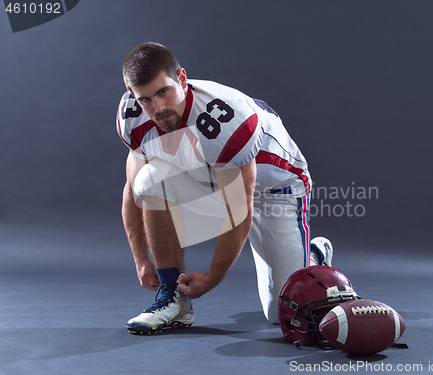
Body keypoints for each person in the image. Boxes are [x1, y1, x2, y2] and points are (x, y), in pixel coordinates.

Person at [116, 42, 333, 334]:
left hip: (273, 190)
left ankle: (314, 255)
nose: (158, 108)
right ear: (133, 96)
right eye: (145, 99)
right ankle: (174, 301)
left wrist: (213, 277)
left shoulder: (228, 119)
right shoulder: (133, 115)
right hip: (209, 175)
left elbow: (239, 206)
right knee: (150, 181)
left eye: (163, 91)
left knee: (280, 310)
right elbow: (133, 189)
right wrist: (141, 259)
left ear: (181, 78)